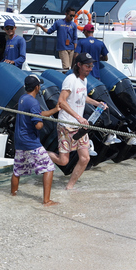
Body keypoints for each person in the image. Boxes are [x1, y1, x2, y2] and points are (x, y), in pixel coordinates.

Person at [47, 52, 107, 190]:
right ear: (79, 65)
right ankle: (41, 154)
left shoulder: (84, 80)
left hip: (79, 127)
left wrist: (98, 103)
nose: (90, 68)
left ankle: (69, 187)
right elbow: (61, 101)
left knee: (85, 158)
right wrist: (78, 117)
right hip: (66, 126)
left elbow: (83, 97)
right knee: (63, 161)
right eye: (87, 66)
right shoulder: (70, 79)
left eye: (91, 66)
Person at [11, 74, 61, 206]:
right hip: (30, 141)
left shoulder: (23, 98)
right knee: (49, 167)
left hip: (20, 140)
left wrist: (55, 110)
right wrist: (41, 124)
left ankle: (12, 196)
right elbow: (38, 124)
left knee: (17, 170)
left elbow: (37, 114)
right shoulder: (33, 102)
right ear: (37, 87)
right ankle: (46, 201)